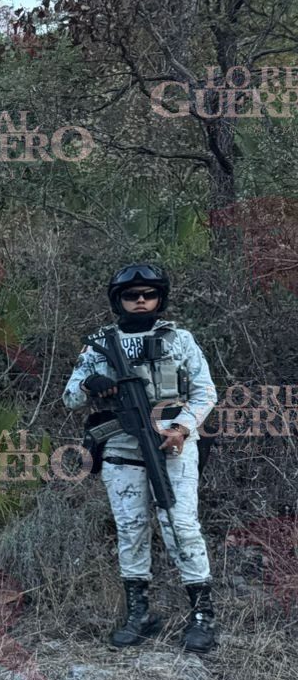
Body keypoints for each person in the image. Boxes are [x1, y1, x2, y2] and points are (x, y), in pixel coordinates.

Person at [63, 264, 219, 653]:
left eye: (148, 294)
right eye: (132, 295)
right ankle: (140, 614)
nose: (140, 300)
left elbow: (205, 393)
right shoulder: (98, 343)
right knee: (130, 528)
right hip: (120, 448)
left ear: (159, 298)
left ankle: (202, 616)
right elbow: (69, 398)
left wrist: (180, 429)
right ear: (119, 300)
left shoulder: (179, 339)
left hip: (171, 445)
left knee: (180, 525)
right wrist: (89, 384)